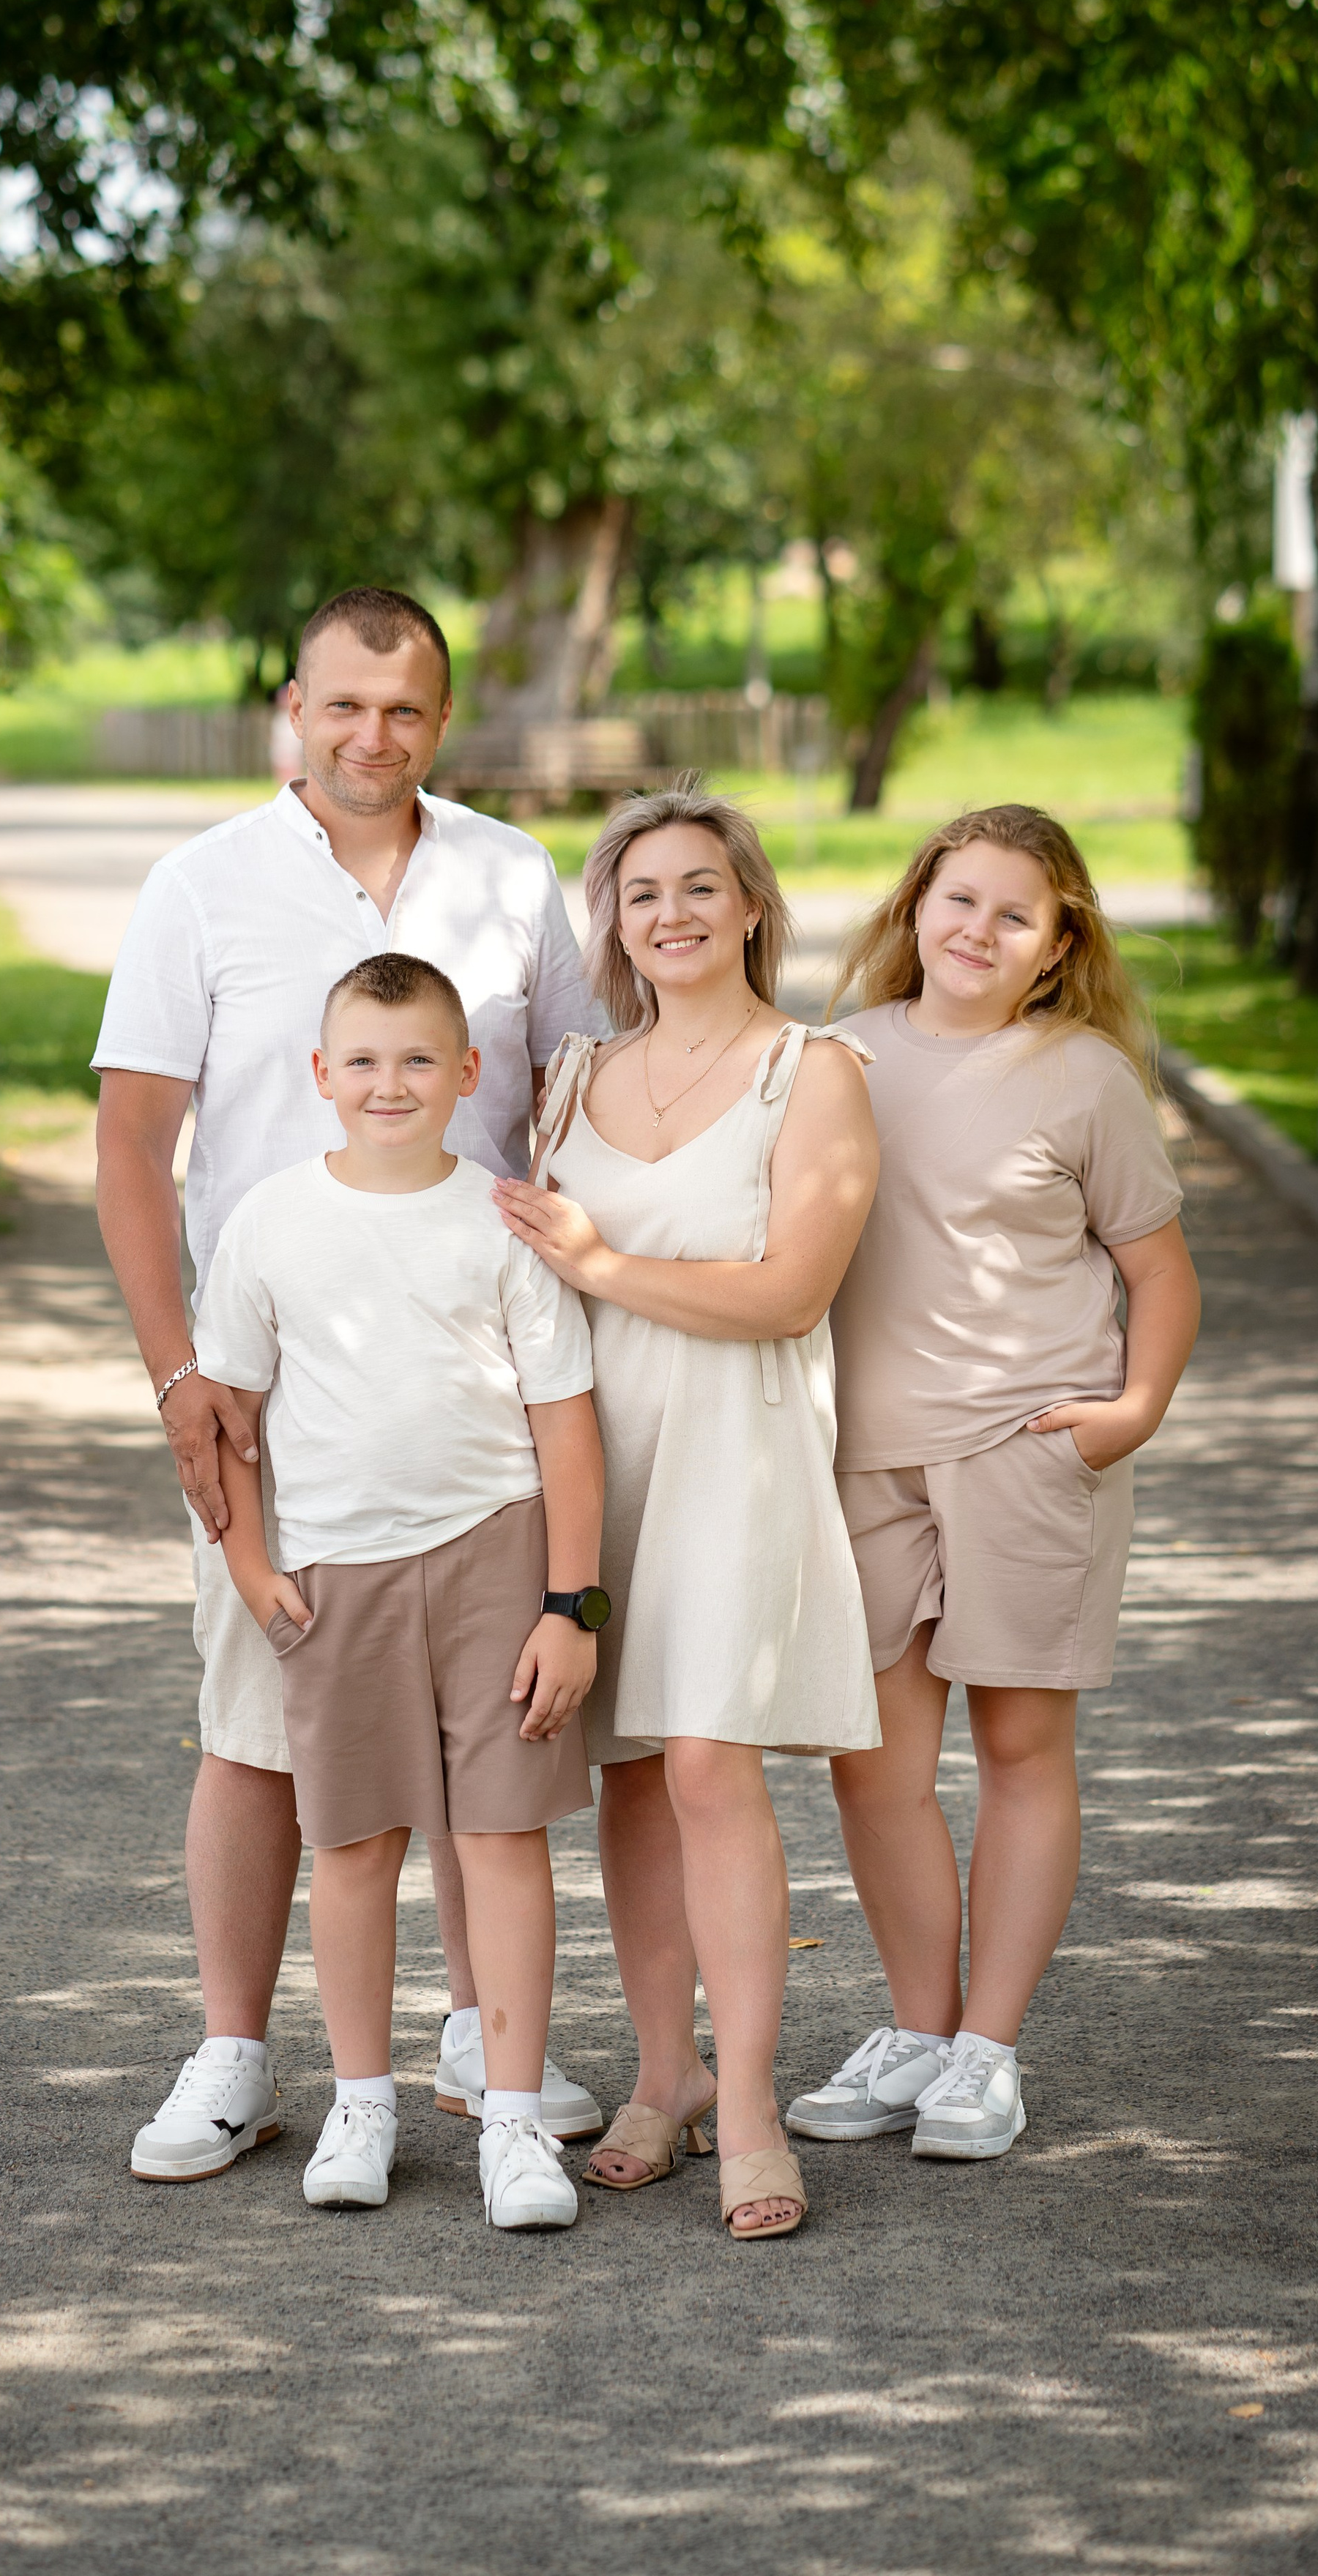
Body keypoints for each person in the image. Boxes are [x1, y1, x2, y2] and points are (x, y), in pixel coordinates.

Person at [93, 586, 606, 2186]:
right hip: (275, 1394)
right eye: (342, 706)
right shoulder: (202, 886)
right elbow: (131, 1147)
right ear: (293, 711)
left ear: (439, 720)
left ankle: (477, 2034)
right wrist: (180, 1373)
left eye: (402, 709)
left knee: (476, 1744)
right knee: (261, 1729)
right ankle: (236, 2054)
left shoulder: (511, 876)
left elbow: (576, 1102)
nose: (371, 736)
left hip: (474, 1400)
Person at [493, 788, 882, 2240]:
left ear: (751, 906)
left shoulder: (812, 1072)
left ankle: (754, 2101)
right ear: (615, 923)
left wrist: (602, 1265)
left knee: (711, 1759)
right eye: (642, 891)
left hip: (737, 1448)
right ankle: (666, 2074)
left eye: (700, 885)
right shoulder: (570, 1078)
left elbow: (789, 1293)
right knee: (633, 1774)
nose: (672, 913)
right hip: (598, 1456)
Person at [786, 804, 1199, 2162]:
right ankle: (920, 2030)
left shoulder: (1084, 1077)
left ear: (1058, 943)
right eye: (959, 900)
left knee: (1021, 1751)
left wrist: (1126, 1415)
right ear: (916, 904)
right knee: (873, 1770)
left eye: (1016, 915)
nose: (978, 931)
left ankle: (987, 2052)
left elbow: (1159, 1271)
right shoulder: (838, 1056)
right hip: (866, 1459)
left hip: (1028, 1451)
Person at [196, 952, 605, 2229]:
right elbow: (232, 1416)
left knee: (501, 1841)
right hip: (337, 1576)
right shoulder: (270, 1221)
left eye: (420, 1059)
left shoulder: (503, 1220)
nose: (392, 1084)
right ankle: (361, 2102)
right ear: (321, 1075)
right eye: (365, 1062)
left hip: (498, 1561)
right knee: (355, 1847)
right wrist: (252, 1568)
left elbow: (567, 1426)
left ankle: (513, 2119)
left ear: (468, 1073)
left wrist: (571, 1608)